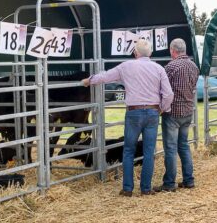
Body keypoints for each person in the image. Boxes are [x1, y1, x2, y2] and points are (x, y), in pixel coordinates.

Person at [83, 39, 173, 196]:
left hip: (133, 112)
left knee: (129, 150)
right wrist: (161, 108)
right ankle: (146, 188)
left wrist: (88, 81)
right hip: (152, 112)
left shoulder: (126, 66)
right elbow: (169, 94)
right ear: (150, 53)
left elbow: (105, 76)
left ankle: (127, 188)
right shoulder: (159, 68)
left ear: (135, 53)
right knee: (149, 151)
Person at [159, 38, 197, 191]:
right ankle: (189, 179)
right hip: (188, 111)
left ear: (172, 50)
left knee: (170, 148)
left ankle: (169, 183)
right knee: (183, 146)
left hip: (173, 112)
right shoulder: (194, 66)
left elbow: (162, 87)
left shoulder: (171, 67)